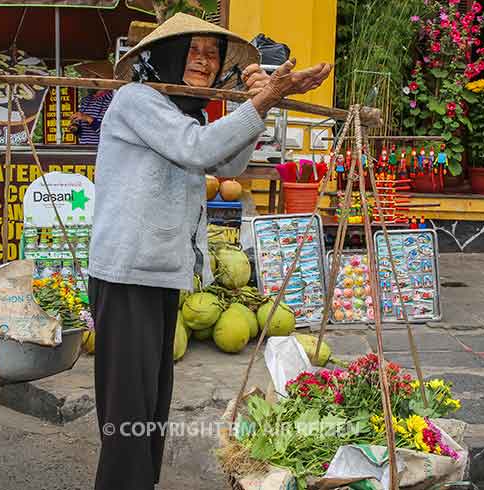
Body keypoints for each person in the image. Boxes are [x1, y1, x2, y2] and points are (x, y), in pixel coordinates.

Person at [87, 13, 331, 490]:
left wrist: (257, 105)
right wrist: (265, 99)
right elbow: (197, 150)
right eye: (193, 50)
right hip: (125, 273)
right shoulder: (136, 100)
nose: (203, 61)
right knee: (127, 414)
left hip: (161, 274)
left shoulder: (188, 114)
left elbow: (227, 160)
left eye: (212, 54)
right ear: (168, 57)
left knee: (152, 406)